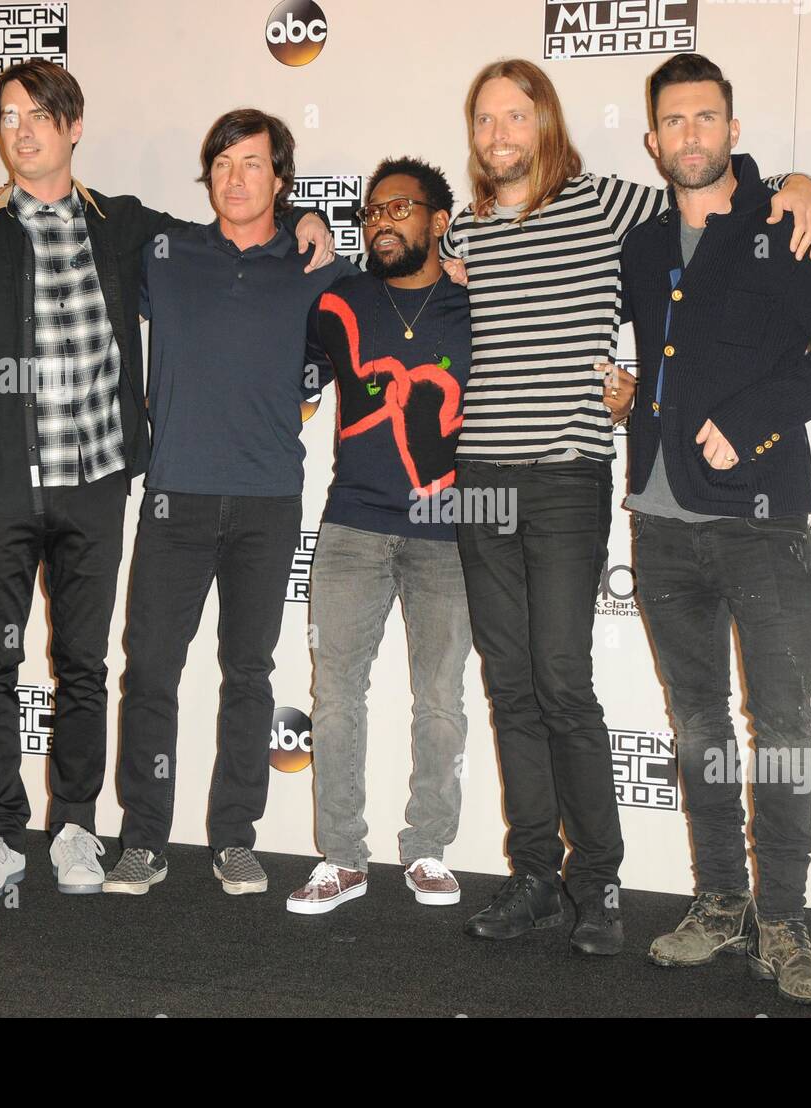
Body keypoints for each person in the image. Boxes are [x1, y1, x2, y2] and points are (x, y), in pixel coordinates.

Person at [0, 60, 331, 903]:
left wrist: (311, 217)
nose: (21, 130)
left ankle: (73, 825)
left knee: (85, 665)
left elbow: (238, 231)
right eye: (7, 116)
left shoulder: (130, 228)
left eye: (38, 115)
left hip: (97, 486)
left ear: (73, 128)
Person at [444, 58, 811, 956]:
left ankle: (600, 881)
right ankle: (535, 876)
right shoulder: (465, 231)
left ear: (547, 124)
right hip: (482, 479)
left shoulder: (608, 204)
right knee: (509, 688)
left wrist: (797, 182)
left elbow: (708, 193)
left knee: (561, 682)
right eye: (486, 119)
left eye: (517, 116)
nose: (501, 133)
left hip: (570, 473)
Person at [605, 53, 811, 1003]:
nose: (690, 134)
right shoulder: (641, 246)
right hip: (658, 521)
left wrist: (758, 418)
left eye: (706, 118)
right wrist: (635, 398)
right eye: (673, 121)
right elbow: (671, 349)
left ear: (731, 128)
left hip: (762, 527)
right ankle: (720, 903)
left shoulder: (782, 221)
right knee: (697, 723)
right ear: (653, 142)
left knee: (783, 724)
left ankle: (786, 922)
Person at [102, 109, 354, 896]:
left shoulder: (318, 269)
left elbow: (395, 303)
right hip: (174, 495)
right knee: (149, 672)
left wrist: (318, 224)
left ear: (281, 179)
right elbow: (98, 223)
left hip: (268, 501)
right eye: (222, 163)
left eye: (253, 165)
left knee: (249, 673)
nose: (234, 179)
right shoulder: (167, 254)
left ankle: (234, 838)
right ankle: (142, 838)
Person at [285, 157, 473, 915]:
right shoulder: (338, 299)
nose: (381, 221)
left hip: (448, 533)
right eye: (371, 211)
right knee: (334, 697)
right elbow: (286, 375)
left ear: (439, 221)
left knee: (440, 699)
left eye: (401, 207)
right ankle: (342, 858)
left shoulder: (477, 302)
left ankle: (426, 849)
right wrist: (303, 215)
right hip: (352, 527)